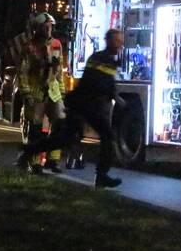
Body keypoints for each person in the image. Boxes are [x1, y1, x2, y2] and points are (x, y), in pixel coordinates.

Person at [18, 28, 124, 188]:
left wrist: (114, 95)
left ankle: (29, 151)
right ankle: (101, 176)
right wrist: (114, 96)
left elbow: (106, 82)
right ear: (108, 41)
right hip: (84, 104)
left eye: (121, 42)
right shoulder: (99, 59)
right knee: (105, 136)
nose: (120, 45)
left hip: (87, 105)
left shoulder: (106, 59)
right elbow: (98, 82)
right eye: (117, 41)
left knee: (65, 138)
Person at [18, 17, 66, 174]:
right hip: (36, 90)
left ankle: (53, 160)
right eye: (45, 27)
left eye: (50, 26)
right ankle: (35, 162)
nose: (48, 29)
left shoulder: (56, 45)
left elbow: (59, 71)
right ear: (37, 28)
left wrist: (62, 91)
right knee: (36, 128)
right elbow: (23, 71)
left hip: (53, 91)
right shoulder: (30, 47)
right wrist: (26, 92)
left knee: (60, 122)